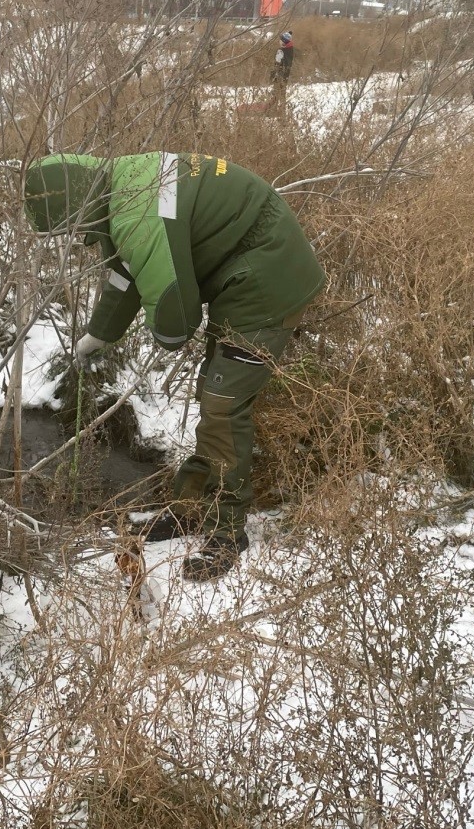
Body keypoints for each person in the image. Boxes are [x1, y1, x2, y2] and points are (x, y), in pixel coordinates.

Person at [25, 151, 325, 580]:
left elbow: (174, 316)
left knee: (223, 403)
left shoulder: (137, 212)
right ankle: (193, 508)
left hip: (268, 278)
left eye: (70, 227)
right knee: (214, 394)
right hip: (244, 270)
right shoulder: (124, 185)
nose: (75, 237)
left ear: (75, 206)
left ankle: (227, 531)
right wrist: (101, 332)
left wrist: (163, 331)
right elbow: (128, 270)